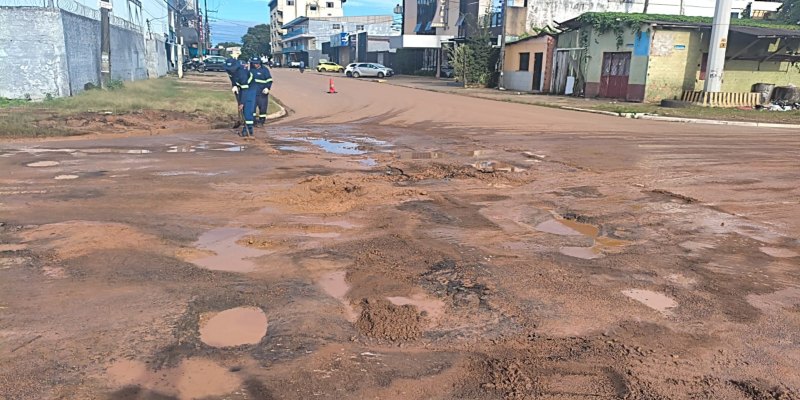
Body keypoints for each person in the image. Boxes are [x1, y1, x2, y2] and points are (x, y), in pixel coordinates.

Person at [224, 58, 257, 139]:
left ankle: (248, 130)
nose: (230, 70)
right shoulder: (230, 70)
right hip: (242, 88)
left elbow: (245, 90)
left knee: (247, 108)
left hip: (250, 88)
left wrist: (242, 103)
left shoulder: (242, 74)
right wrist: (234, 85)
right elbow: (232, 79)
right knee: (243, 107)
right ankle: (246, 128)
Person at [250, 57, 273, 127]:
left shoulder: (265, 70)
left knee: (262, 108)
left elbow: (269, 80)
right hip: (253, 93)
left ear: (259, 63)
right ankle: (253, 121)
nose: (255, 65)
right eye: (254, 63)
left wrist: (267, 88)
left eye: (256, 63)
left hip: (262, 93)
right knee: (252, 108)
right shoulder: (251, 70)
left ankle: (261, 122)